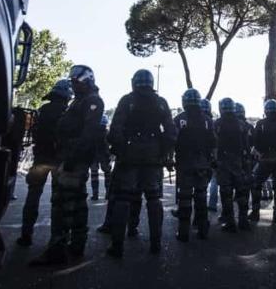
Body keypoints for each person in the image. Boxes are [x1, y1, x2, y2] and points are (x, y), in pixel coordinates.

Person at [30, 65, 104, 265]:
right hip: (68, 156)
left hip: (73, 160)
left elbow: (88, 133)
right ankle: (76, 244)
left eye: (75, 81)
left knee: (62, 204)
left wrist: (72, 158)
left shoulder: (92, 101)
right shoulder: (80, 100)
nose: (72, 84)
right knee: (76, 202)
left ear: (86, 81)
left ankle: (57, 250)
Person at [106, 69, 176, 258]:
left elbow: (115, 130)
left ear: (134, 82)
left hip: (129, 156)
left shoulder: (127, 100)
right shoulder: (161, 102)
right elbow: (171, 133)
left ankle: (117, 245)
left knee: (123, 198)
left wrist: (120, 151)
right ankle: (156, 243)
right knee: (154, 199)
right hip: (153, 157)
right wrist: (162, 153)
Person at [17, 79, 72, 247]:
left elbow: (32, 131)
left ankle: (26, 234)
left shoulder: (42, 110)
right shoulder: (68, 112)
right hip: (58, 161)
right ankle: (56, 238)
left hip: (40, 158)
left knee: (33, 195)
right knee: (59, 200)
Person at [173, 88, 216, 241]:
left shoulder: (179, 119)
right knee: (201, 197)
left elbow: (173, 140)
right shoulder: (207, 120)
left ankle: (183, 232)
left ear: (184, 101)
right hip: (202, 165)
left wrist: (169, 160)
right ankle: (203, 230)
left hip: (184, 165)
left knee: (184, 199)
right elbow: (213, 143)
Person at [249, 99, 276, 224]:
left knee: (256, 183)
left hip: (266, 157)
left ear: (266, 110)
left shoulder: (261, 123)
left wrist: (260, 151)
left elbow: (255, 141)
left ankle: (255, 212)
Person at [214, 98, 251, 232]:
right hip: (239, 162)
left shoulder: (217, 124)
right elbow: (247, 146)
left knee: (226, 194)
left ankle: (230, 223)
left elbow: (214, 144)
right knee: (241, 193)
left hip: (223, 163)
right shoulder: (242, 124)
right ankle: (243, 220)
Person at [202, 99, 220, 213]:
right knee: (213, 180)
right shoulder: (212, 122)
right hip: (211, 156)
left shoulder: (191, 119)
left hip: (198, 156)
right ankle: (212, 204)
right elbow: (216, 141)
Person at [89, 114, 112, 200]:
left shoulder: (92, 132)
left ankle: (95, 194)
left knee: (94, 174)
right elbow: (110, 142)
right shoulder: (106, 132)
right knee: (107, 173)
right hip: (105, 154)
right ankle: (108, 193)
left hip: (94, 154)